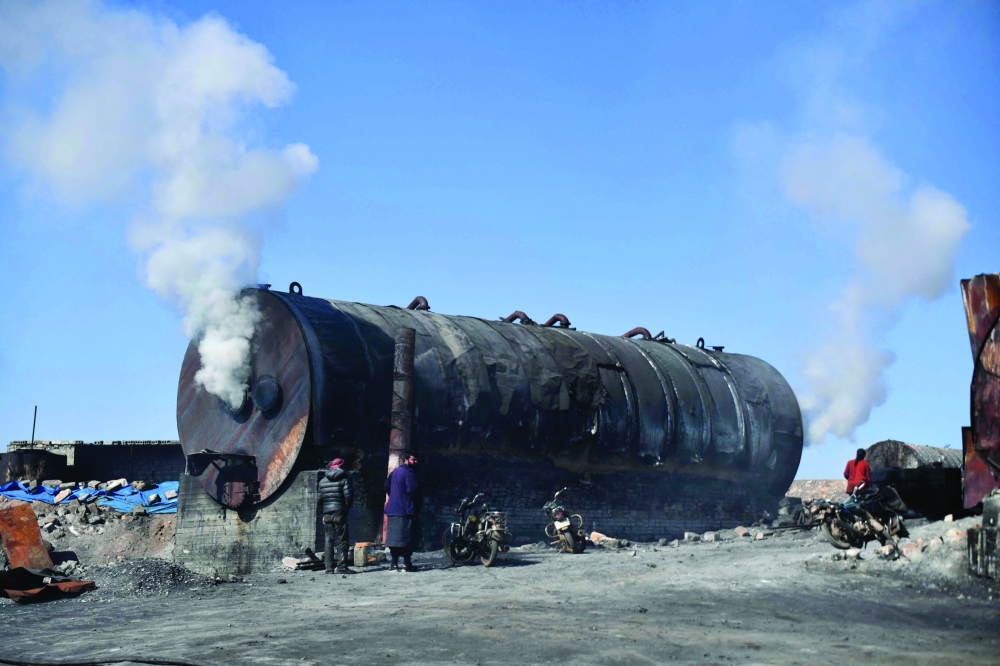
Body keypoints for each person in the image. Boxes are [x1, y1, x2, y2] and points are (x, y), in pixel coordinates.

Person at [384, 452, 422, 572]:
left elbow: (386, 487)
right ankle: (407, 563)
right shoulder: (409, 473)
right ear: (406, 460)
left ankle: (394, 564)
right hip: (406, 511)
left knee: (394, 540)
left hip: (393, 510)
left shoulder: (394, 472)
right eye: (413, 460)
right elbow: (413, 490)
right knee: (407, 538)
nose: (415, 462)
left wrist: (394, 497)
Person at [319, 458, 355, 574]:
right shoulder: (345, 479)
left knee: (328, 540)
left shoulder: (323, 481)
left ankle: (329, 569)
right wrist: (346, 508)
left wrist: (323, 514)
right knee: (343, 539)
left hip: (327, 513)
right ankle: (341, 567)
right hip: (339, 512)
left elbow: (319, 500)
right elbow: (349, 497)